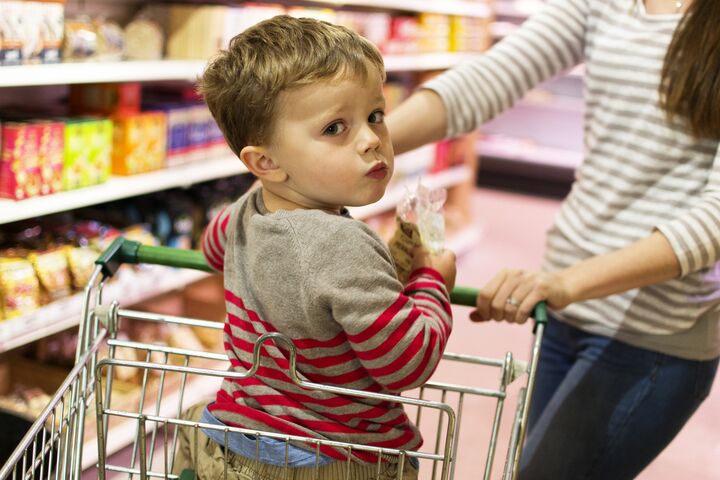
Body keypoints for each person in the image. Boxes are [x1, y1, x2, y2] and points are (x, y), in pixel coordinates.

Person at [386, 0, 720, 478]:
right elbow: (489, 79)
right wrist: (355, 148)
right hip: (562, 312)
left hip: (651, 334)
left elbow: (715, 218)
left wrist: (568, 281)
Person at [172, 15, 457, 480]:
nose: (372, 141)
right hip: (331, 459)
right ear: (265, 160)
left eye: (375, 116)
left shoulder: (248, 212)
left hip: (235, 437)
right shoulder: (343, 245)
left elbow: (211, 249)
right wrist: (432, 282)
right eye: (334, 128)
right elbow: (406, 363)